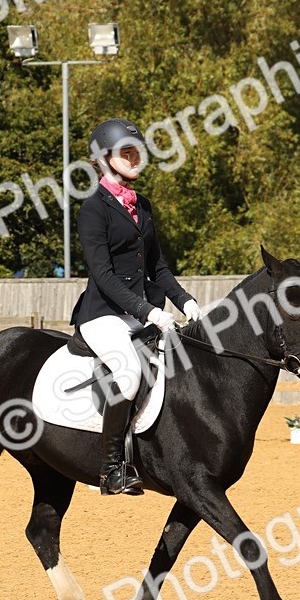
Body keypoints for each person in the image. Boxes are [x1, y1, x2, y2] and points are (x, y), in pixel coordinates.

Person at [70, 118, 202, 496]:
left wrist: (185, 301)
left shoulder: (142, 205)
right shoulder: (93, 210)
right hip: (102, 315)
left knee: (184, 361)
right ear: (104, 159)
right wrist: (149, 312)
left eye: (137, 151)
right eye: (126, 152)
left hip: (139, 312)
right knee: (128, 373)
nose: (135, 158)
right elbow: (104, 276)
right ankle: (110, 469)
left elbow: (157, 267)